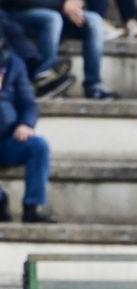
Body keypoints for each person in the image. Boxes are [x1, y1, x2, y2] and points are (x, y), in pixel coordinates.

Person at [7, 0, 116, 98]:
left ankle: (93, 84)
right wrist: (62, 4)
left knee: (94, 20)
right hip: (19, 13)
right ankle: (43, 79)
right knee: (52, 18)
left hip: (58, 12)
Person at [0, 34, 52, 223]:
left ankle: (31, 207)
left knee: (39, 146)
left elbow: (28, 104)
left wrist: (26, 124)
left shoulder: (14, 64)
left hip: (8, 137)